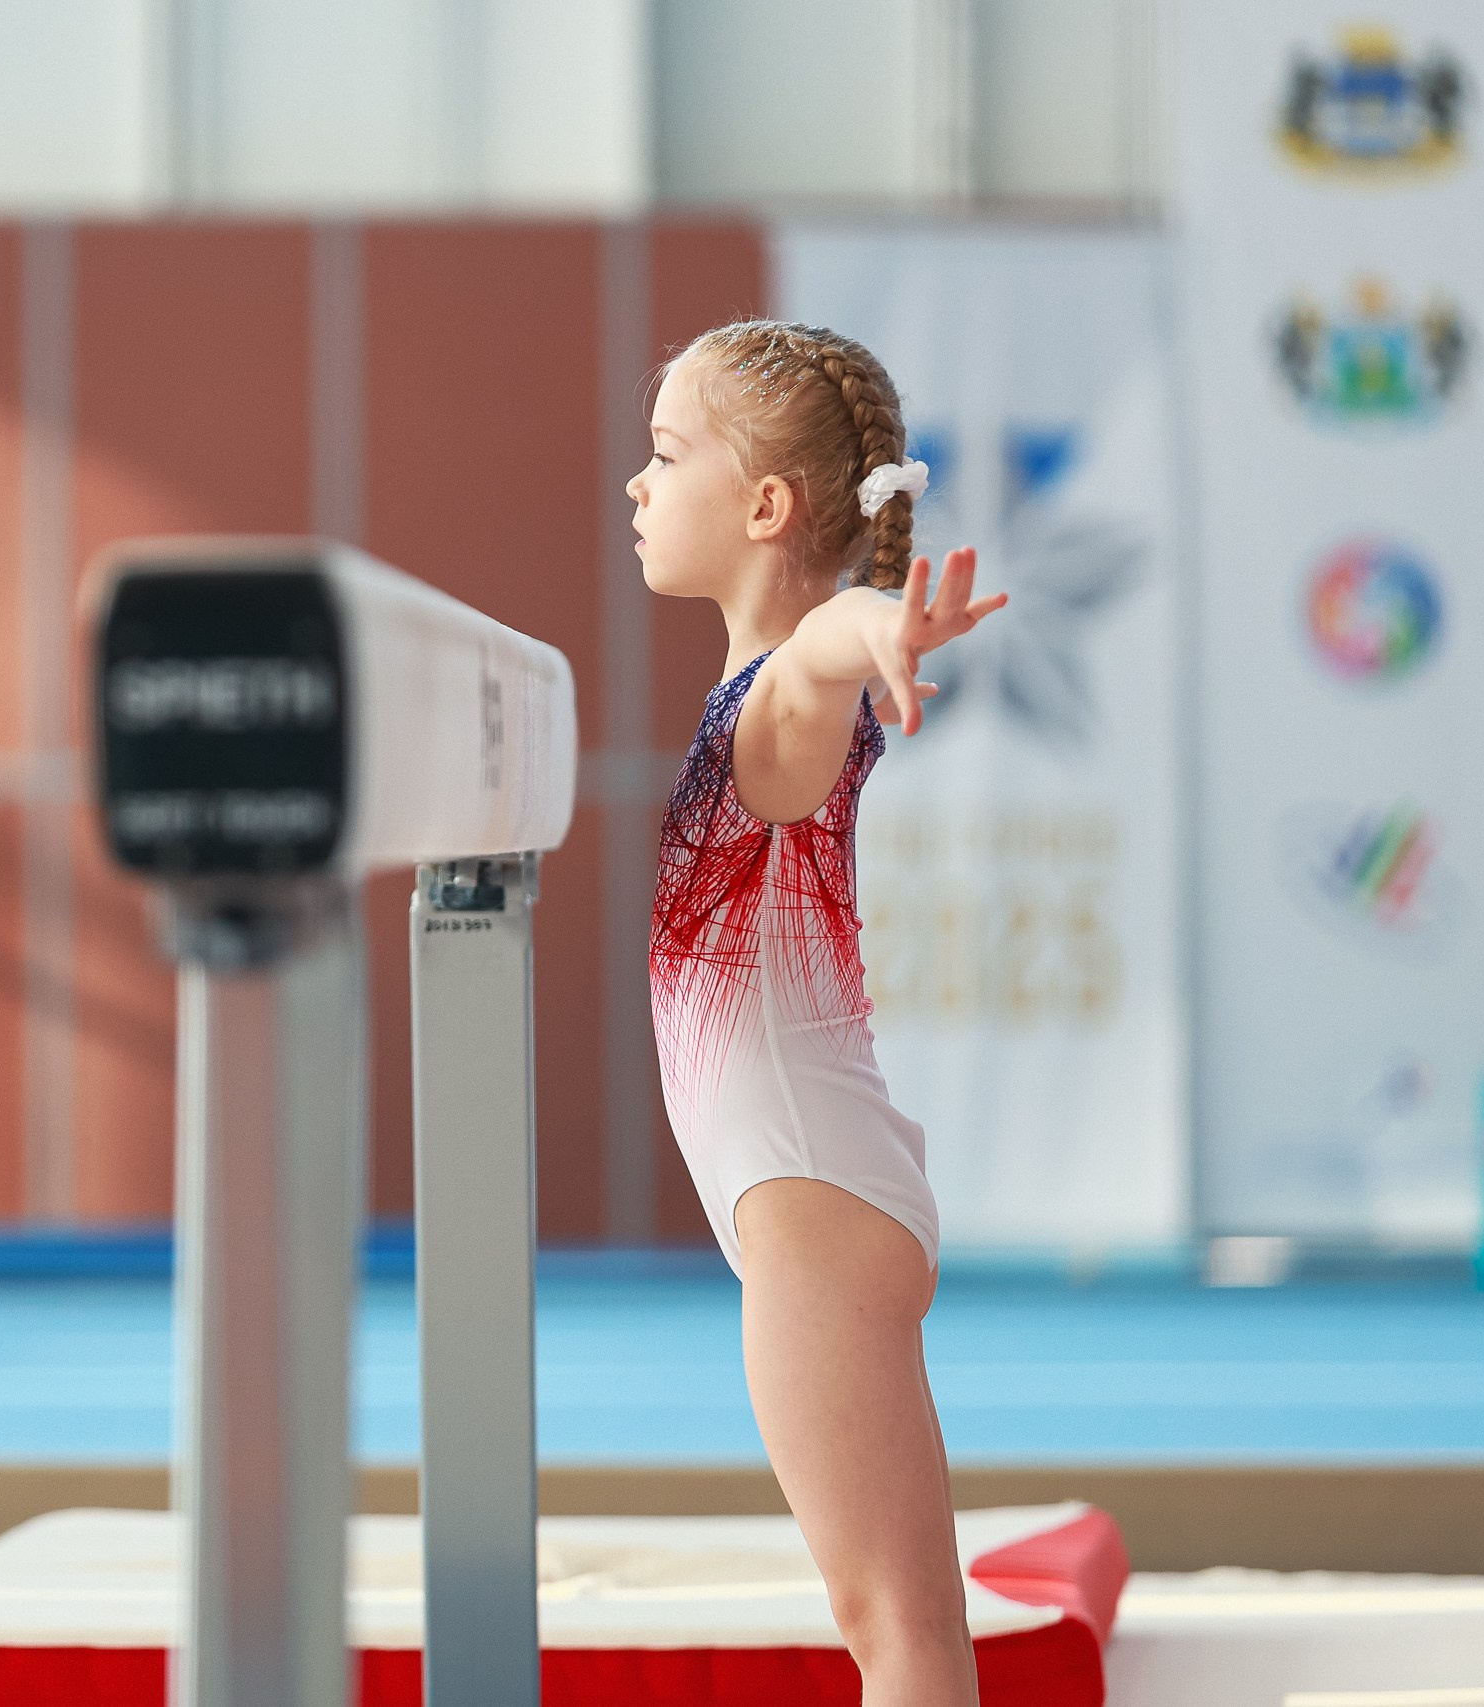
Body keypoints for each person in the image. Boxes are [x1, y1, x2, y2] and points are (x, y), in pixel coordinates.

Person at [631, 320, 1005, 1706]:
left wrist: (870, 623)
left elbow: (821, 651)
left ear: (769, 504)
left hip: (809, 1206)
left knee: (896, 1630)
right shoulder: (758, 705)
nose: (637, 484)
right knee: (905, 1623)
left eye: (666, 454)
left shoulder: (770, 715)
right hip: (821, 1190)